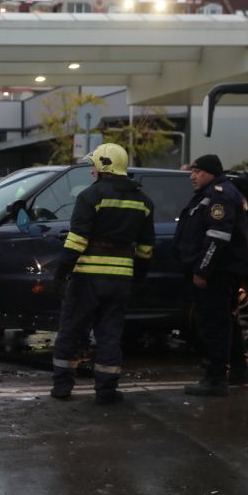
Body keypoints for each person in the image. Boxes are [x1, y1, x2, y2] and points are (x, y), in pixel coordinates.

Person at [51, 143, 155, 404]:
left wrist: (61, 273)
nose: (91, 171)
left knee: (71, 330)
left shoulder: (90, 197)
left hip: (87, 277)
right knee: (110, 334)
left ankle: (63, 386)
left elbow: (76, 241)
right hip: (120, 279)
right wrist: (138, 278)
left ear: (103, 167)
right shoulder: (143, 201)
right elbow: (145, 248)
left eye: (93, 166)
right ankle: (106, 390)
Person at [174, 154, 248, 396]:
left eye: (197, 171)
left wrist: (202, 270)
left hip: (217, 272)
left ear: (210, 172)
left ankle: (216, 378)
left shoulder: (219, 195)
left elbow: (217, 239)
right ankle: (239, 370)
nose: (192, 176)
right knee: (227, 321)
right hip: (222, 270)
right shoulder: (214, 193)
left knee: (213, 324)